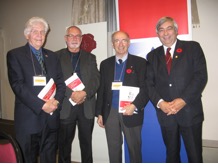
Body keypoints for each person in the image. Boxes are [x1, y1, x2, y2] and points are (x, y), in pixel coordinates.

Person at [146, 17, 208, 162]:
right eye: (161, 30)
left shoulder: (192, 48)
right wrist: (161, 103)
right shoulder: (152, 56)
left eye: (169, 28)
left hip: (190, 112)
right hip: (166, 114)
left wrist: (183, 100)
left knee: (195, 156)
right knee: (171, 156)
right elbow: (149, 84)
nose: (165, 33)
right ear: (157, 34)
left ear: (176, 30)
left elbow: (200, 77)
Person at [7, 17, 66, 162]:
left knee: (50, 158)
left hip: (51, 118)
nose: (39, 35)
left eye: (42, 32)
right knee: (28, 158)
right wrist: (42, 105)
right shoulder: (15, 55)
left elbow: (60, 83)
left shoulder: (52, 56)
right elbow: (17, 85)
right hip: (29, 119)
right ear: (27, 34)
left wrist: (56, 102)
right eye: (35, 32)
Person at [96, 31, 149, 163]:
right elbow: (101, 89)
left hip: (131, 110)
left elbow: (146, 89)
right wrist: (100, 113)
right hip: (110, 112)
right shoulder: (105, 64)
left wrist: (134, 105)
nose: (120, 44)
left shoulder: (140, 63)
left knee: (134, 149)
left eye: (124, 40)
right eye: (116, 41)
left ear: (129, 42)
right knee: (113, 149)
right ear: (112, 44)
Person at [56, 26, 100, 163]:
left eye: (77, 36)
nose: (74, 39)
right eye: (71, 35)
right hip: (65, 106)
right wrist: (71, 94)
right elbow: (54, 80)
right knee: (64, 145)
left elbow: (96, 79)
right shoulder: (56, 56)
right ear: (66, 38)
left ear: (81, 39)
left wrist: (84, 93)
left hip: (86, 106)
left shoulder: (90, 57)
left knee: (86, 144)